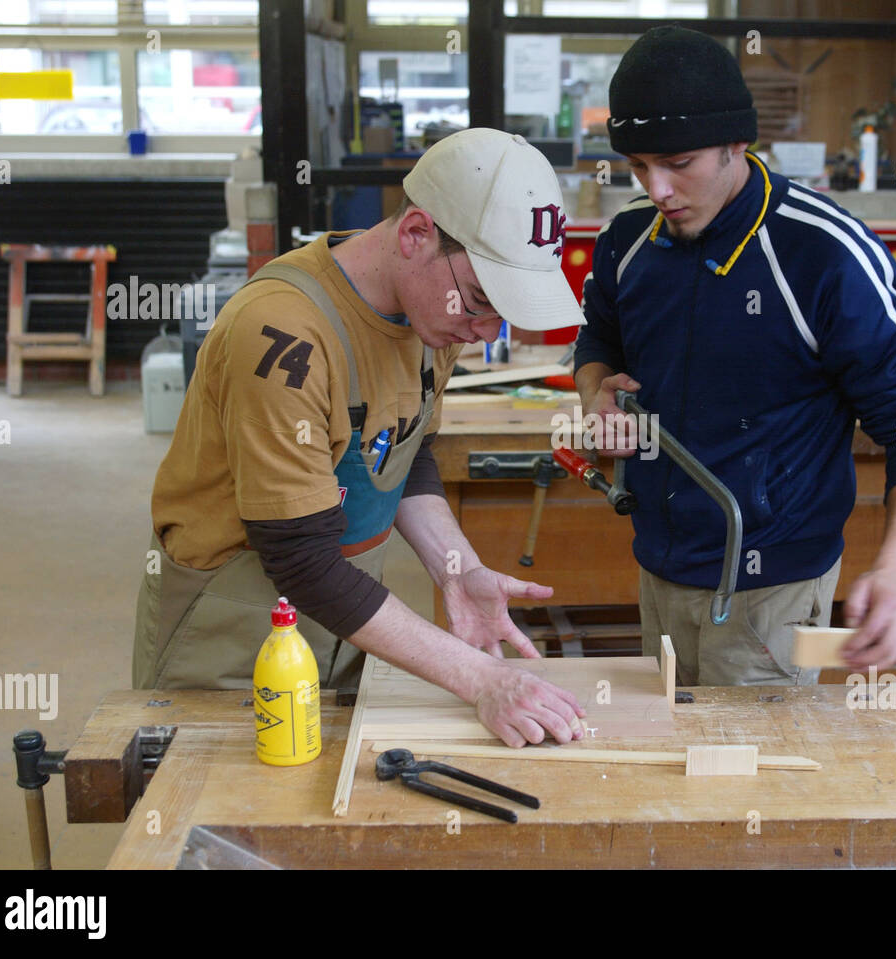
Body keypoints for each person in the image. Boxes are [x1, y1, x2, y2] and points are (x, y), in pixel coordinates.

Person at [133, 128, 587, 747]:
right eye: (480, 300)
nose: (485, 330)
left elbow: (406, 450)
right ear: (415, 233)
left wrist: (457, 570)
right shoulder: (283, 334)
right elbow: (300, 558)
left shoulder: (431, 318)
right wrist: (481, 679)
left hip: (340, 620)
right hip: (230, 637)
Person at [573, 27, 896, 686]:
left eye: (679, 163)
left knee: (748, 783)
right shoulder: (628, 239)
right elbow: (599, 336)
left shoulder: (825, 255)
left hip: (771, 590)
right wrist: (596, 388)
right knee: (665, 760)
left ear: (736, 144)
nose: (657, 190)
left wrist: (895, 574)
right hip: (660, 565)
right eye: (639, 166)